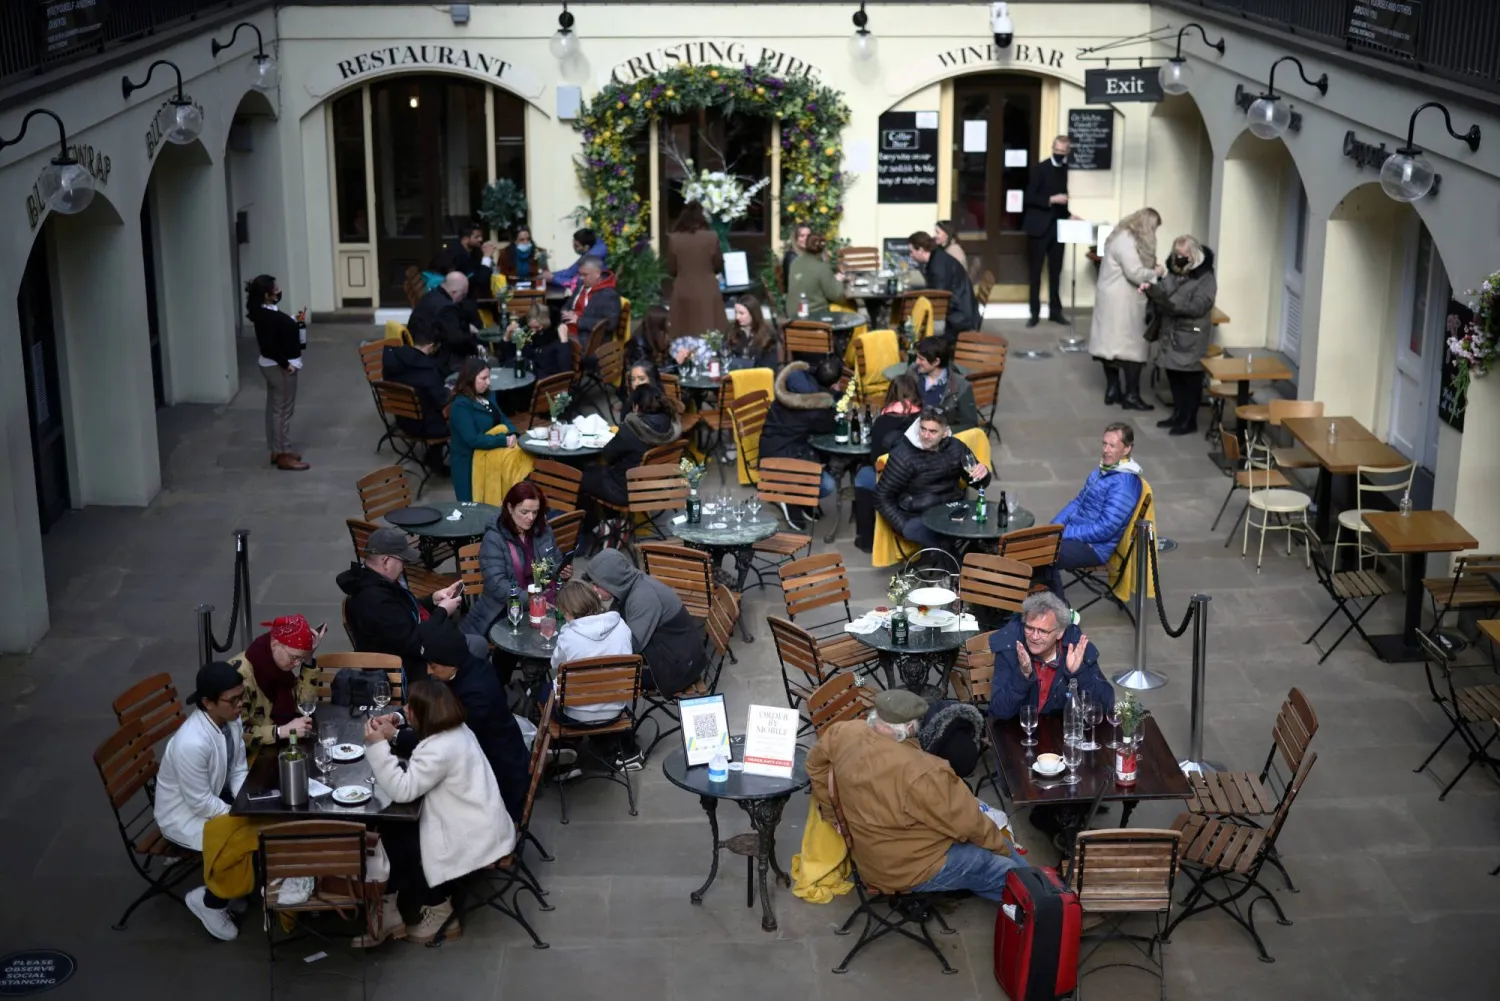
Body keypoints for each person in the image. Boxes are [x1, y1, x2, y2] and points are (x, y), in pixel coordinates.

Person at [806, 689, 1026, 901]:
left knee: (990, 851)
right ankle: (1046, 903)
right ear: (910, 726)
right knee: (1002, 869)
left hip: (869, 857)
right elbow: (970, 825)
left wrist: (833, 813)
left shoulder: (843, 732)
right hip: (908, 868)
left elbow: (814, 765)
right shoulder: (924, 770)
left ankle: (1034, 895)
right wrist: (1002, 849)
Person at [364, 679, 515, 945]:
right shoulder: (455, 729)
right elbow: (418, 738)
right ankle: (391, 909)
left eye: (411, 707)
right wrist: (398, 718)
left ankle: (439, 910)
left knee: (399, 838)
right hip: (483, 821)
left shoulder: (439, 750)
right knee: (395, 829)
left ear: (426, 714)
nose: (407, 709)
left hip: (471, 835)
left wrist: (377, 747)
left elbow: (402, 790)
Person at [155, 661, 252, 941]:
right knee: (247, 836)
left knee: (260, 820)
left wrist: (245, 798)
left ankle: (236, 886)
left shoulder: (230, 720)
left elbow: (237, 767)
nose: (240, 705)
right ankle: (211, 902)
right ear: (208, 703)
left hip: (213, 797)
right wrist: (239, 814)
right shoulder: (192, 743)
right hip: (184, 816)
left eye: (241, 696)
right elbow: (199, 804)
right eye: (233, 700)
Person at [414, 621, 531, 825]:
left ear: (451, 663)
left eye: (433, 665)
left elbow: (448, 742)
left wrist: (397, 736)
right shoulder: (465, 670)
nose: (429, 671)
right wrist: (399, 717)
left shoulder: (476, 693)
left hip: (497, 782)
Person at [336, 527, 485, 676]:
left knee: (475, 645)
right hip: (408, 669)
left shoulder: (376, 581)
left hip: (414, 649)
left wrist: (432, 600)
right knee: (477, 648)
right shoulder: (374, 601)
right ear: (386, 561)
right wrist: (442, 611)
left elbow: (403, 611)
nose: (403, 567)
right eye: (402, 561)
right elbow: (413, 641)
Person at [584, 548, 707, 702]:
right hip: (674, 655)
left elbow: (629, 647)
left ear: (613, 581)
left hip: (677, 669)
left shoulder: (643, 598)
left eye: (597, 584)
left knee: (596, 674)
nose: (593, 589)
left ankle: (602, 720)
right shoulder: (629, 583)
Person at [462, 481, 570, 640]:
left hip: (544, 602)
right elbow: (498, 585)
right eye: (524, 512)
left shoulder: (543, 530)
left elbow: (554, 563)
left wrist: (563, 573)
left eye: (535, 512)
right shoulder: (494, 538)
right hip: (505, 609)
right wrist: (534, 601)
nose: (530, 518)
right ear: (510, 508)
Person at [1047, 422, 1144, 597]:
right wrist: (1054, 526)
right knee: (1034, 549)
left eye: (1112, 445)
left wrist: (1064, 532)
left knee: (1043, 556)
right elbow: (1078, 501)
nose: (1106, 450)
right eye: (1104, 443)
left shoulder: (1125, 483)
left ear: (1127, 449)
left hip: (1095, 547)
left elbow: (1105, 529)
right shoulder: (1104, 470)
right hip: (1079, 535)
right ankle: (1043, 607)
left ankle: (1061, 616)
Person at [988, 592, 1114, 719]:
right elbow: (998, 712)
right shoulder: (1010, 650)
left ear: (1060, 633)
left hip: (1061, 733)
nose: (1034, 637)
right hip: (1019, 733)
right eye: (1029, 628)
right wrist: (1023, 675)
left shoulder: (1076, 650)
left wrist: (1079, 673)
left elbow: (1105, 707)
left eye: (1043, 631)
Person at [876, 407, 990, 547]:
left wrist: (983, 474)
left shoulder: (956, 447)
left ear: (945, 432)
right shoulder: (903, 456)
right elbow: (881, 496)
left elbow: (978, 484)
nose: (925, 435)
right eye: (923, 429)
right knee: (948, 548)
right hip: (918, 516)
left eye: (932, 431)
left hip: (953, 511)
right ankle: (957, 567)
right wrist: (904, 526)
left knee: (987, 533)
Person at [1090, 208, 1163, 411]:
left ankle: (1113, 390)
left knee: (1110, 346)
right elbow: (1135, 273)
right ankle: (1131, 395)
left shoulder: (1121, 235)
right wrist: (1156, 272)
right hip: (1122, 302)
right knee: (1132, 348)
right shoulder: (1127, 240)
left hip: (1114, 300)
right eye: (1154, 228)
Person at [1145, 236, 1217, 436]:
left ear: (1193, 255)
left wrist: (1172, 306)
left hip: (1192, 334)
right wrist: (1152, 290)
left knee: (1191, 378)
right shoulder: (1175, 272)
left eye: (1183, 255)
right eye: (1176, 254)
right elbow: (1165, 289)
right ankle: (1178, 414)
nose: (1178, 259)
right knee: (1174, 374)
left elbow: (1200, 305)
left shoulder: (1206, 277)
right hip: (1172, 332)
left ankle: (1189, 420)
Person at [229, 614, 323, 756]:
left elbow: (304, 704)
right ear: (275, 644)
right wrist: (280, 731)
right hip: (252, 757)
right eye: (294, 657)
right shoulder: (240, 676)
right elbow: (234, 733)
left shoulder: (279, 664)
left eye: (301, 658)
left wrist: (308, 659)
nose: (297, 664)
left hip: (281, 745)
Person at [581, 383, 681, 511]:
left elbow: (607, 456)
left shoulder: (630, 430)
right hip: (656, 485)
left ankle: (590, 527)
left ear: (636, 407)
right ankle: (612, 522)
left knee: (579, 478)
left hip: (625, 491)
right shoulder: (671, 427)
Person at [759, 358, 840, 514]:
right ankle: (789, 497)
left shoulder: (793, 383)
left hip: (770, 448)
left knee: (825, 458)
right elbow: (830, 428)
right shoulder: (816, 408)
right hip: (781, 460)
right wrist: (833, 398)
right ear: (833, 385)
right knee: (827, 485)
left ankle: (799, 496)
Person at [853, 373, 923, 551]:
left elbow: (874, 458)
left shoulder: (883, 421)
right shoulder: (925, 419)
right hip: (919, 478)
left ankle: (867, 539)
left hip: (889, 480)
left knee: (862, 477)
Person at [247, 274, 309, 471]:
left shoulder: (266, 313)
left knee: (275, 408)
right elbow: (268, 346)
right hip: (280, 367)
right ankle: (283, 454)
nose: (280, 290)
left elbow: (275, 329)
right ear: (267, 295)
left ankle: (277, 449)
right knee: (282, 411)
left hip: (275, 366)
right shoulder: (266, 317)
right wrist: (285, 364)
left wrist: (291, 321)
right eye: (276, 289)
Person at [448, 358, 519, 504]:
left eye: (489, 377)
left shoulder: (488, 395)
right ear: (470, 379)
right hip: (468, 464)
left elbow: (502, 417)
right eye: (483, 378)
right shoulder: (460, 406)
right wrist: (503, 440)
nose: (488, 382)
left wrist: (512, 432)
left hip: (491, 457)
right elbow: (473, 439)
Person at [382, 327, 452, 473]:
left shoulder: (393, 358)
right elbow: (442, 400)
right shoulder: (426, 370)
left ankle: (433, 457)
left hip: (402, 418)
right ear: (432, 345)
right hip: (425, 426)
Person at [1022, 134, 1072, 328]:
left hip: (1058, 227)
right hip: (1039, 226)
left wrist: (1069, 216)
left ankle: (1055, 311)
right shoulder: (1040, 168)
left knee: (1056, 271)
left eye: (1063, 151)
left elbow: (1065, 199)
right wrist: (1051, 199)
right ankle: (1034, 312)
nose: (1059, 154)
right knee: (1035, 271)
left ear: (1068, 151)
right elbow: (1029, 197)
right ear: (1052, 148)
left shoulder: (1067, 170)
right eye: (1056, 150)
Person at [666, 202, 725, 337]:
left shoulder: (674, 239)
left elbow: (672, 269)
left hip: (683, 291)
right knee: (710, 335)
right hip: (708, 292)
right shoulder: (711, 237)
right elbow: (718, 265)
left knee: (684, 335)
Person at [908, 231, 980, 336]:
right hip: (963, 308)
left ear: (921, 250)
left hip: (959, 316)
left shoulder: (937, 266)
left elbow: (938, 298)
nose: (911, 255)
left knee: (912, 318)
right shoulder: (938, 256)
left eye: (912, 251)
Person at [409, 272, 477, 377]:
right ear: (454, 292)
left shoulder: (431, 295)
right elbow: (456, 340)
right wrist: (475, 344)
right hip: (435, 361)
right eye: (463, 295)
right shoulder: (447, 308)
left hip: (417, 351)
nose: (463, 299)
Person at [912, 336, 979, 430]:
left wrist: (942, 433)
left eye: (921, 359)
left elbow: (970, 424)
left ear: (936, 362)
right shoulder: (912, 374)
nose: (916, 362)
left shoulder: (961, 387)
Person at [503, 298, 573, 380]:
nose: (533, 330)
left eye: (537, 327)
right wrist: (506, 337)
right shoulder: (531, 334)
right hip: (531, 374)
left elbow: (566, 372)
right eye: (531, 327)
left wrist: (564, 341)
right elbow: (510, 357)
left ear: (545, 323)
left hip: (545, 381)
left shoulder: (556, 337)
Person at [560, 256, 620, 343]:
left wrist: (578, 320)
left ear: (598, 274)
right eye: (579, 274)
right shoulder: (580, 287)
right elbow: (567, 306)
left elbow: (610, 324)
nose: (581, 278)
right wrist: (566, 313)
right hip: (569, 331)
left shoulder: (609, 295)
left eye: (585, 275)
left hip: (591, 340)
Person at [787, 232, 846, 316]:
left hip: (792, 315)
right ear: (824, 249)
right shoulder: (821, 267)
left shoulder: (794, 263)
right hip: (813, 317)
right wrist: (838, 280)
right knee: (846, 309)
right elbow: (836, 296)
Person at [431, 221, 494, 296]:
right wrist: (486, 256)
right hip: (452, 298)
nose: (481, 239)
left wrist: (487, 256)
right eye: (477, 237)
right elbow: (480, 281)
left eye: (481, 236)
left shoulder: (472, 251)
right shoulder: (457, 255)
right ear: (465, 239)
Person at [725, 295, 781, 370]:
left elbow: (770, 367)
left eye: (741, 313)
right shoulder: (734, 332)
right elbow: (725, 356)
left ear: (753, 314)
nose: (737, 317)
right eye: (736, 313)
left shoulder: (768, 336)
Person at [544, 227, 608, 290]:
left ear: (586, 247)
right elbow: (571, 271)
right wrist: (552, 275)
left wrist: (553, 279)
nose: (573, 247)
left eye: (576, 246)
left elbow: (578, 282)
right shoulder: (593, 252)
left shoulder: (590, 260)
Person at [626, 305, 674, 372]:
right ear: (656, 330)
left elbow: (668, 364)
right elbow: (647, 375)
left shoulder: (654, 340)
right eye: (665, 331)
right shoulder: (639, 347)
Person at [781, 222, 811, 293]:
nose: (806, 239)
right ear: (795, 238)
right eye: (802, 236)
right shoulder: (792, 257)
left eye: (808, 236)